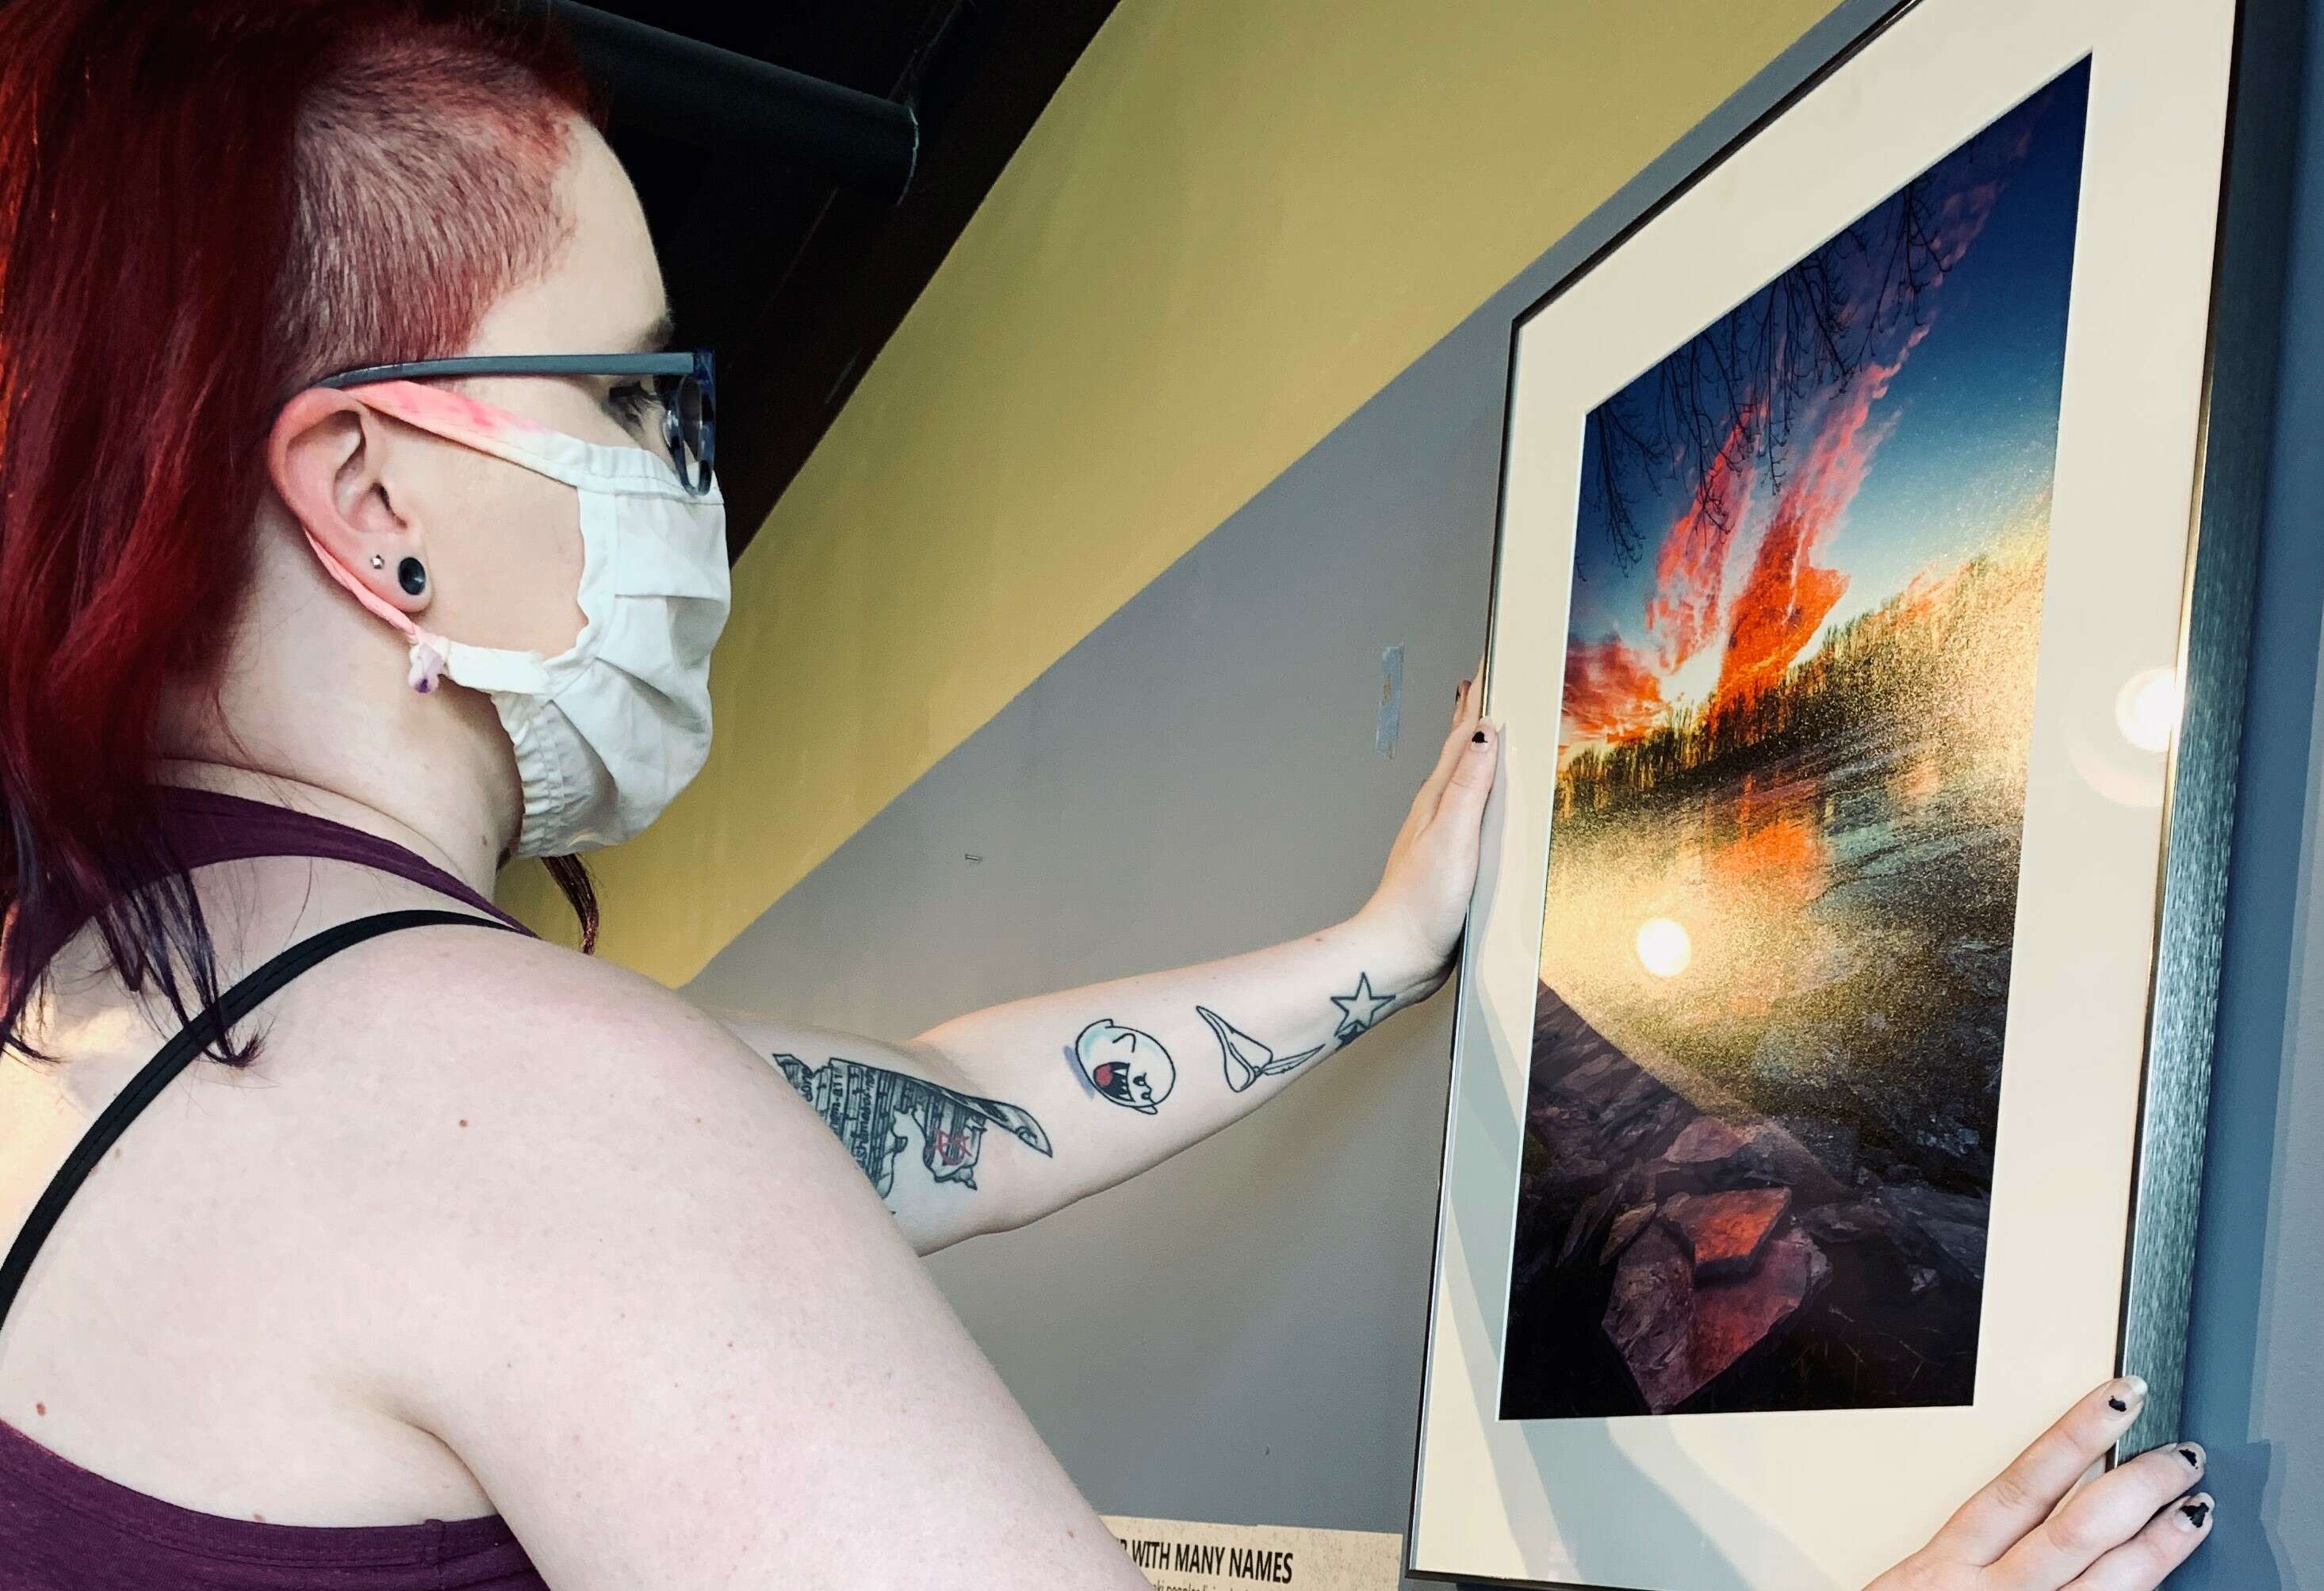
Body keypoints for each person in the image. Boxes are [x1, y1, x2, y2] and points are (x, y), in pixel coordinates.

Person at [0, 3, 2213, 1587]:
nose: (691, 475)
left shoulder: (133, 1019)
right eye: (629, 394)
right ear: (375, 494)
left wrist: (1375, 950)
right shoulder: (493, 1092)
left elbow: (955, 1108)